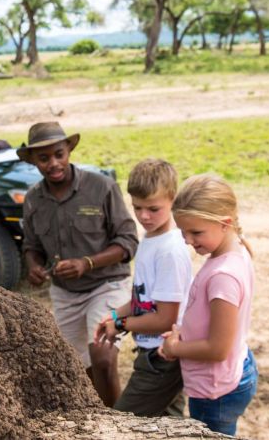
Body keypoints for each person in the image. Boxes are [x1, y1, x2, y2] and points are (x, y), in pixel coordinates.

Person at [20, 122, 138, 408]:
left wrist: (87, 263)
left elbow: (128, 242)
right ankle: (98, 416)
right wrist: (33, 266)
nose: (53, 163)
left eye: (59, 154)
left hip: (107, 285)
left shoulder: (101, 188)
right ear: (34, 161)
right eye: (44, 158)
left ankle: (118, 426)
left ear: (69, 150)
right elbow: (31, 247)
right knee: (77, 366)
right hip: (66, 294)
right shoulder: (34, 199)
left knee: (103, 357)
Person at [158, 174, 258, 437]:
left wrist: (175, 347)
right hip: (230, 372)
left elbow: (217, 349)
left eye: (196, 232)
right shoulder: (233, 251)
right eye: (182, 231)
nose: (187, 240)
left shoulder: (223, 275)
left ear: (225, 223)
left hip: (216, 391)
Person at [94, 159, 192, 417]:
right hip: (151, 351)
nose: (144, 216)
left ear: (173, 199)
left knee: (123, 422)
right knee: (170, 426)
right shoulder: (150, 238)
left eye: (153, 208)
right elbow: (143, 299)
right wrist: (115, 314)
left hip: (162, 358)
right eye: (137, 207)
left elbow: (164, 319)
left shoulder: (170, 251)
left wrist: (122, 325)